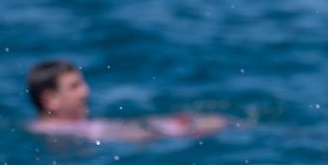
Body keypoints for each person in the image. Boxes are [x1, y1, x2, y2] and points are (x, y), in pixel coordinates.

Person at [24, 59, 232, 143]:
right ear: (50, 99)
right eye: (74, 87)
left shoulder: (71, 127)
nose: (85, 91)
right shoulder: (52, 131)